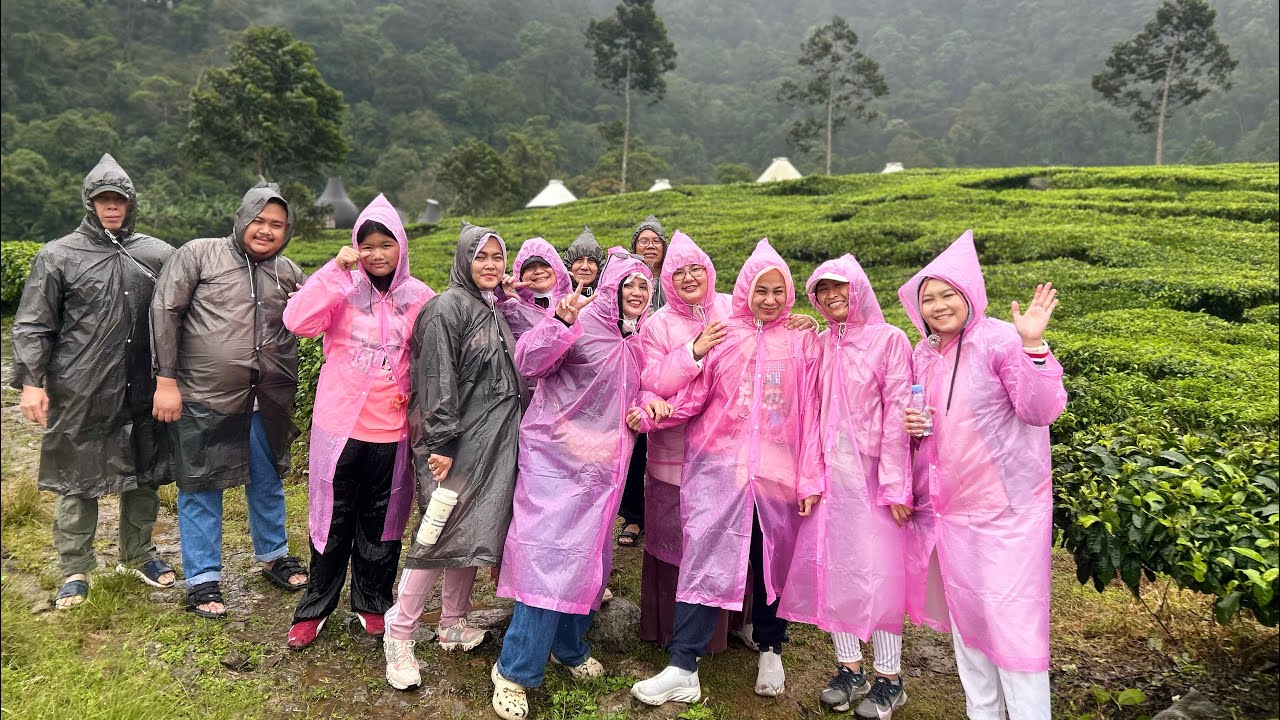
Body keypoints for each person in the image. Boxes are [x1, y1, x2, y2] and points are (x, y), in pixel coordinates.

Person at [631, 239, 824, 706]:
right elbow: (694, 399)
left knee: (771, 556)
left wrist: (810, 477)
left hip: (778, 473)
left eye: (779, 290)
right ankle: (683, 665)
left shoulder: (802, 341)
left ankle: (771, 647)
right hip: (718, 470)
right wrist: (653, 414)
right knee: (704, 559)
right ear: (744, 291)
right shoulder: (725, 335)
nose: (771, 299)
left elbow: (813, 414)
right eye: (762, 290)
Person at [489, 253, 668, 720]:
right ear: (610, 287)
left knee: (591, 559)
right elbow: (529, 361)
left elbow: (646, 387)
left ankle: (568, 647)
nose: (635, 293)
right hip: (556, 462)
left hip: (605, 470)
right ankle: (514, 669)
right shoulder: (581, 320)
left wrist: (645, 408)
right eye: (626, 284)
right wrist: (561, 321)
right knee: (548, 560)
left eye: (642, 287)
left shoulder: (641, 338)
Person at [897, 230, 1065, 720]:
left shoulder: (1002, 341)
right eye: (928, 298)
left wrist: (1034, 345)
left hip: (1005, 514)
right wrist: (913, 429)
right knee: (967, 623)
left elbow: (1040, 409)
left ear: (969, 293)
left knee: (1013, 629)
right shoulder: (924, 354)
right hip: (951, 515)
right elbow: (929, 429)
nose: (938, 305)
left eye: (948, 294)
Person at [12, 153, 176, 609]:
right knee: (76, 476)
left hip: (143, 384)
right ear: (89, 202)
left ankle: (138, 552)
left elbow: (184, 313)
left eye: (119, 199)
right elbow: (33, 323)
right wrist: (31, 381)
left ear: (130, 204)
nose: (111, 207)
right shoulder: (58, 255)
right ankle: (75, 567)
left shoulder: (157, 254)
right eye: (103, 199)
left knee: (146, 470)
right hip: (79, 386)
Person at [281, 195, 436, 648]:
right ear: (355, 248)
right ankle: (315, 607)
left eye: (386, 243)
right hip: (339, 425)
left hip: (393, 429)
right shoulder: (341, 287)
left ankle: (371, 601)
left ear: (401, 247)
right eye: (367, 245)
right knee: (333, 517)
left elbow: (434, 354)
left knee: (382, 520)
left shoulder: (419, 296)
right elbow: (297, 320)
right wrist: (334, 270)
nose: (377, 253)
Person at [150, 183, 309, 619]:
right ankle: (203, 579)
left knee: (267, 478)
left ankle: (274, 555)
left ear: (287, 231)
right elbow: (165, 311)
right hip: (205, 395)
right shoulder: (199, 255)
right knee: (201, 484)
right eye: (259, 220)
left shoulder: (289, 271)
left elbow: (320, 313)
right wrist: (166, 380)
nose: (266, 230)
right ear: (242, 218)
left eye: (276, 224)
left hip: (268, 398)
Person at [382, 222, 526, 690]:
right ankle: (400, 632)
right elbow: (436, 379)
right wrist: (442, 444)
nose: (489, 265)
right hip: (456, 444)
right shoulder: (447, 308)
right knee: (438, 532)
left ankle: (452, 622)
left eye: (496, 257)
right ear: (463, 260)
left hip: (493, 442)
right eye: (480, 257)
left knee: (475, 525)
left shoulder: (492, 308)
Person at [779, 255, 914, 718]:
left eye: (841, 287)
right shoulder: (819, 342)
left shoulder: (890, 340)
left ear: (858, 288)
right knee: (834, 570)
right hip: (831, 481)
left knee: (880, 576)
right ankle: (849, 668)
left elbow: (899, 413)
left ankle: (890, 679)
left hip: (874, 480)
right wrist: (810, 478)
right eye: (823, 290)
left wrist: (896, 487)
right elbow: (808, 416)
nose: (833, 296)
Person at [617, 215, 668, 548]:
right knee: (633, 449)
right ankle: (635, 516)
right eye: (643, 240)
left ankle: (662, 515)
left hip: (667, 375)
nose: (649, 245)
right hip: (632, 372)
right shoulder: (624, 280)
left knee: (664, 451)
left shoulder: (675, 279)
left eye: (655, 240)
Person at [499, 236, 573, 340]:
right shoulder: (509, 310)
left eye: (544, 265)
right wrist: (498, 293)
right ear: (520, 276)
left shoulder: (578, 303)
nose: (538, 271)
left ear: (557, 269)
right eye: (529, 267)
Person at [560, 227, 604, 297]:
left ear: (599, 268)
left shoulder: (609, 298)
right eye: (579, 260)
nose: (585, 267)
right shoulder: (554, 296)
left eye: (591, 261)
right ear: (569, 266)